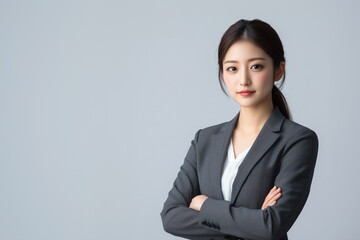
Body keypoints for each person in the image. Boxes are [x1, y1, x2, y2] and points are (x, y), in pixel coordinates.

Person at [160, 19, 319, 240]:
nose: (243, 80)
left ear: (278, 70)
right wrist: (250, 223)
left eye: (256, 66)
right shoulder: (204, 140)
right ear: (223, 74)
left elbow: (271, 226)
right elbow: (170, 217)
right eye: (232, 68)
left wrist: (204, 204)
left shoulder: (298, 140)